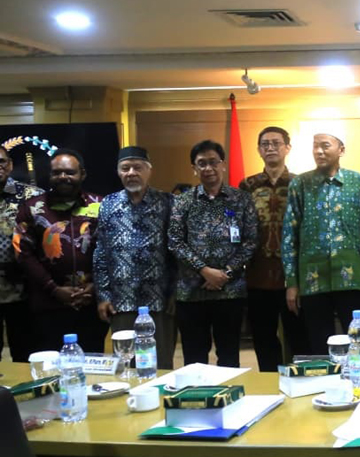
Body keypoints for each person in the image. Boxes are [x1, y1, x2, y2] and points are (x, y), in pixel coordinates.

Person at [283, 132, 360, 350]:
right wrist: (292, 283)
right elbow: (289, 235)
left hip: (352, 278)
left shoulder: (358, 182)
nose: (319, 151)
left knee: (358, 345)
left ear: (341, 150)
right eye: (315, 146)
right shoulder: (300, 184)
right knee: (318, 345)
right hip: (312, 279)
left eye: (325, 146)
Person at [168, 140, 257, 367]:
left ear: (223, 164)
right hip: (191, 292)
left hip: (230, 291)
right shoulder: (182, 201)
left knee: (229, 356)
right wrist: (204, 271)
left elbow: (250, 241)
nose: (208, 168)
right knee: (194, 358)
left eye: (213, 162)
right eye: (202, 163)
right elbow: (175, 242)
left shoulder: (241, 199)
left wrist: (225, 272)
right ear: (194, 168)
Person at [93, 146, 178, 369]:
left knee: (160, 364)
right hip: (122, 299)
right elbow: (101, 252)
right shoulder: (108, 204)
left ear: (149, 171)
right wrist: (103, 295)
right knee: (126, 363)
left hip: (158, 298)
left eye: (137, 167)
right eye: (125, 168)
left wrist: (174, 292)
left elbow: (176, 250)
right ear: (118, 172)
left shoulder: (168, 202)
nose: (131, 173)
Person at [15, 149, 106, 353]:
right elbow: (23, 253)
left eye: (70, 172)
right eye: (57, 172)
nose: (63, 177)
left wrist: (95, 285)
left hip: (91, 303)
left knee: (92, 361)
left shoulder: (101, 206)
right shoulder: (31, 208)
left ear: (82, 174)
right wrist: (54, 289)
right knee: (51, 363)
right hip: (48, 305)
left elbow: (110, 251)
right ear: (49, 175)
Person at [241, 127, 308, 372]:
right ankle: (270, 382)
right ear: (259, 150)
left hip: (293, 274)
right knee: (263, 337)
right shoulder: (247, 185)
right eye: (265, 144)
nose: (270, 148)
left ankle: (303, 383)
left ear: (287, 148)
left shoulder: (300, 183)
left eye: (276, 143)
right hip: (257, 273)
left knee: (299, 336)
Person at [0, 146, 42, 362]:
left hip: (22, 289)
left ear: (10, 165)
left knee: (25, 354)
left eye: (1, 161)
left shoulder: (31, 196)